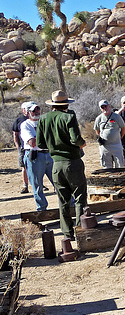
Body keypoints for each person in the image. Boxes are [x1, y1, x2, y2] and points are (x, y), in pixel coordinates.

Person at [36, 90, 87, 241]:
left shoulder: (43, 118)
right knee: (79, 197)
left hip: (56, 164)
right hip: (72, 162)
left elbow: (40, 143)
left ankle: (67, 233)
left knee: (63, 200)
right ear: (66, 103)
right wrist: (82, 144)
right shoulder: (69, 116)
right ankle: (80, 230)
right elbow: (75, 139)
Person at [20, 103, 54, 211]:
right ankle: (42, 209)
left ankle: (70, 205)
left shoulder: (45, 122)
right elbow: (32, 142)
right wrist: (45, 138)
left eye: (38, 109)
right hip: (35, 157)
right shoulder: (25, 125)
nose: (36, 112)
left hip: (49, 154)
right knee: (37, 185)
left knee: (59, 181)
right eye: (33, 111)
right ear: (28, 112)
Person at [94, 100, 125, 168]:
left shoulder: (116, 116)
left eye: (106, 106)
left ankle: (120, 178)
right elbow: (97, 130)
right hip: (105, 146)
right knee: (107, 167)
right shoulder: (99, 118)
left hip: (116, 145)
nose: (105, 108)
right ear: (100, 108)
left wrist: (120, 137)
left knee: (120, 165)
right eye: (102, 107)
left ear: (109, 106)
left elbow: (123, 128)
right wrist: (102, 138)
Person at [12, 101, 33, 194]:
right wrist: (17, 146)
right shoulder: (19, 120)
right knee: (24, 166)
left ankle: (37, 183)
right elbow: (15, 134)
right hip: (23, 147)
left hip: (34, 147)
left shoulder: (37, 119)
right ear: (23, 110)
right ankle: (25, 185)